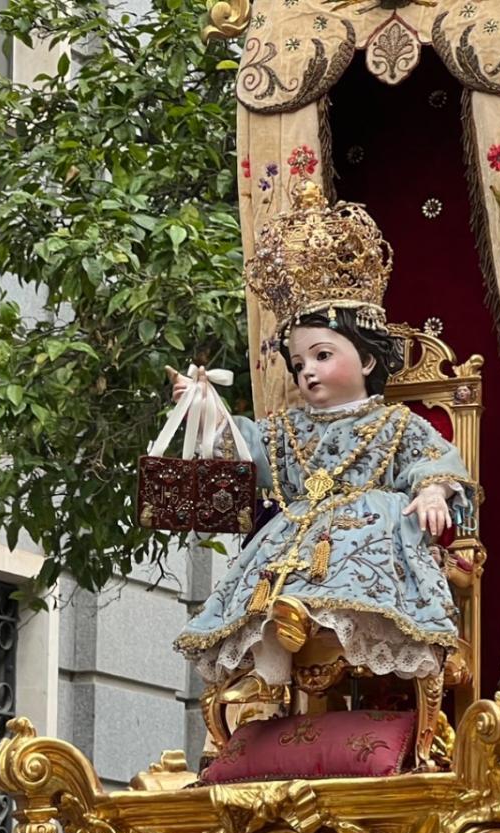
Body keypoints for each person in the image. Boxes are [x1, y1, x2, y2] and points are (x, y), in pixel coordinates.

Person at [170, 184, 474, 705]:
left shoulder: (395, 423)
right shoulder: (287, 428)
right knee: (268, 583)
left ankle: (312, 618)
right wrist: (203, 406)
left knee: (357, 549)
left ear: (369, 360)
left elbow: (436, 461)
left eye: (323, 354)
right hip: (295, 537)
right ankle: (271, 667)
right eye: (299, 363)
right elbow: (242, 449)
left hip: (371, 535)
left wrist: (431, 495)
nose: (308, 370)